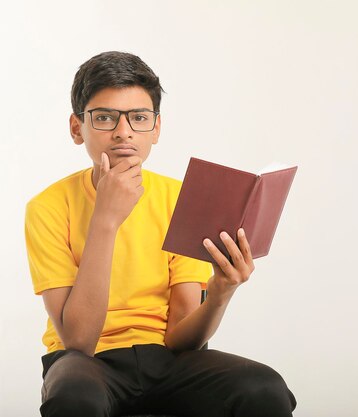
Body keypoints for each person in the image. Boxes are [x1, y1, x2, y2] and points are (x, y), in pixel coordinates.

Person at [25, 51, 296, 417]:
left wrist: (220, 292)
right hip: (87, 364)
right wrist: (106, 219)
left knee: (262, 387)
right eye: (104, 118)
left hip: (166, 360)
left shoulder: (178, 197)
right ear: (77, 128)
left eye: (138, 118)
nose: (124, 132)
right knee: (74, 396)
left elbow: (183, 339)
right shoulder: (48, 207)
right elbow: (78, 340)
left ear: (156, 128)